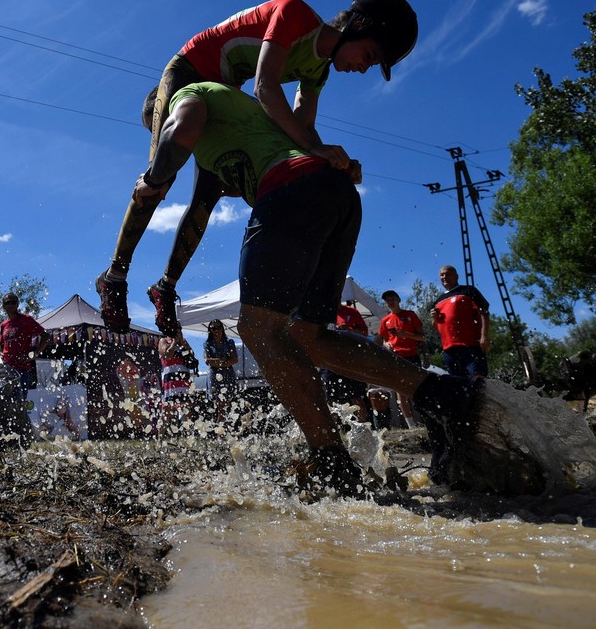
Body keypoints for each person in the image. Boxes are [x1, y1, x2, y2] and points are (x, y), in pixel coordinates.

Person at [144, 79, 479, 492]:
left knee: (258, 329)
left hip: (290, 192)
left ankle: (331, 462)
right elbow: (199, 212)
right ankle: (442, 393)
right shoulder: (229, 130)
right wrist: (168, 282)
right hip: (335, 194)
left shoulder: (190, 100)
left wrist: (154, 180)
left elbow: (184, 150)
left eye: (155, 130)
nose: (165, 143)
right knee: (310, 336)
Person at [95, 0, 419, 337]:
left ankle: (166, 287)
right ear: (358, 25)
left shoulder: (318, 71)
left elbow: (303, 131)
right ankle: (115, 276)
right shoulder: (295, 13)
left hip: (220, 90)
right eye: (369, 56)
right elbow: (265, 88)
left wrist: (333, 161)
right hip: (188, 71)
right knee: (160, 178)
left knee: (208, 197)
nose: (363, 68)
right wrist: (316, 148)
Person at [376, 290, 426, 427]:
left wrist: (404, 335)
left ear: (398, 299)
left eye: (392, 299)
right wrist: (386, 345)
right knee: (400, 392)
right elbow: (381, 341)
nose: (390, 302)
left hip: (412, 355)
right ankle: (411, 425)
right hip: (396, 357)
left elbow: (422, 337)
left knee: (417, 389)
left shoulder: (410, 315)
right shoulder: (385, 320)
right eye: (387, 300)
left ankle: (426, 419)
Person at [432, 265, 491, 380]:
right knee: (458, 385)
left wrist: (484, 336)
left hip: (471, 345)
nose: (444, 277)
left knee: (478, 379)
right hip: (449, 350)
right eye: (442, 275)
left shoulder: (468, 290)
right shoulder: (438, 301)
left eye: (448, 274)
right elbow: (437, 327)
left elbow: (484, 312)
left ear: (456, 276)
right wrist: (434, 319)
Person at [0, 293, 50, 394]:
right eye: (7, 303)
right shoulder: (3, 325)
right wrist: (1, 355)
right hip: (7, 369)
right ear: (3, 306)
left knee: (20, 402)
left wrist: (35, 354)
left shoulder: (26, 320)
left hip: (22, 368)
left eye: (13, 302)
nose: (10, 305)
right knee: (5, 402)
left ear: (17, 304)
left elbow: (46, 336)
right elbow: (0, 345)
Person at [203, 320, 239, 423]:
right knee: (220, 404)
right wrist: (224, 362)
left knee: (227, 403)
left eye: (219, 327)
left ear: (222, 328)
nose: (217, 330)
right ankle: (221, 430)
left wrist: (218, 362)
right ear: (210, 330)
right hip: (215, 375)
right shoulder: (208, 344)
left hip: (228, 374)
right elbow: (207, 360)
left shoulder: (229, 342)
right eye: (214, 328)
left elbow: (235, 359)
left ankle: (223, 428)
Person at [157, 335, 193, 435]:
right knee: (166, 411)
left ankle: (189, 438)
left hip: (184, 380)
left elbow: (191, 355)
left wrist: (182, 342)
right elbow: (167, 354)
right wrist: (174, 342)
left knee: (186, 410)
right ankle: (159, 439)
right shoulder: (163, 341)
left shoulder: (183, 341)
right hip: (170, 381)